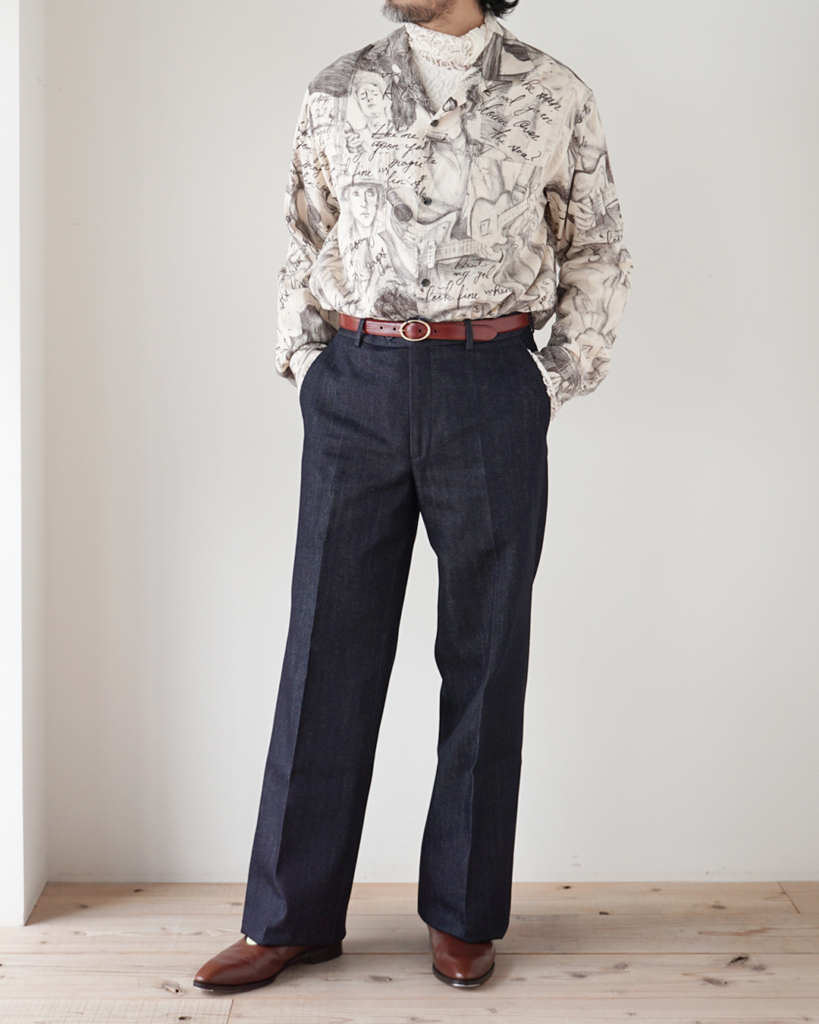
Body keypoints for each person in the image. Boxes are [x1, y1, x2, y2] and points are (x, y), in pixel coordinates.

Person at [194, 0, 633, 994]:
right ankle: (290, 916)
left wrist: (548, 381)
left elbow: (597, 248)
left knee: (485, 650)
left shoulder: (554, 93)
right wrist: (307, 361)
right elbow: (303, 232)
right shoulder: (338, 88)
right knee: (325, 647)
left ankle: (463, 914)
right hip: (355, 383)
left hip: (491, 384)